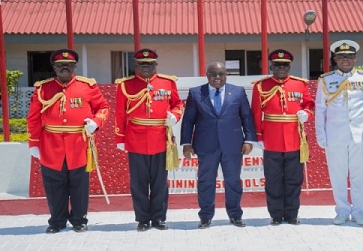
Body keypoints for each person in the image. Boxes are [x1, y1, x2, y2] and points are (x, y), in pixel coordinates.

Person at [27, 48, 110, 234]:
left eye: (69, 65)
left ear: (75, 67)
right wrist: (33, 143)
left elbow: (103, 107)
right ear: (54, 67)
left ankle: (79, 220)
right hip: (51, 144)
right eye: (60, 65)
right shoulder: (43, 88)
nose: (64, 68)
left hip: (79, 144)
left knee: (79, 185)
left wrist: (95, 123)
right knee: (54, 185)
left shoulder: (87, 86)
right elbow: (33, 117)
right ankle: (56, 221)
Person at [180, 62, 256, 229]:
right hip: (206, 145)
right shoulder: (196, 93)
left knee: (233, 181)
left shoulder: (237, 92)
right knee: (205, 181)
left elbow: (246, 118)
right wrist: (186, 143)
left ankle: (235, 215)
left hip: (233, 145)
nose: (217, 77)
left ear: (226, 75)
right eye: (213, 74)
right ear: (207, 75)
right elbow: (188, 120)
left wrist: (249, 140)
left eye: (221, 74)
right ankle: (205, 217)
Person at [115, 48, 183, 231]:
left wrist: (175, 116)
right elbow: (120, 113)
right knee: (139, 183)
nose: (146, 67)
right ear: (135, 65)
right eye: (142, 64)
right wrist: (120, 138)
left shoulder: (168, 83)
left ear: (156, 65)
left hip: (161, 138)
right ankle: (143, 219)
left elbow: (177, 104)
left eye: (150, 64)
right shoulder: (124, 85)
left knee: (160, 182)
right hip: (135, 139)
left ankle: (159, 218)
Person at [251, 49, 315, 225]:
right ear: (271, 66)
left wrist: (306, 114)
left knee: (294, 180)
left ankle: (292, 214)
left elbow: (310, 105)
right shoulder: (260, 86)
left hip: (294, 139)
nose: (281, 68)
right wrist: (258, 136)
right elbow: (256, 113)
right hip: (271, 140)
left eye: (285, 65)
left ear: (289, 66)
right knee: (273, 180)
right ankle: (276, 215)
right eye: (277, 65)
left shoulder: (299, 85)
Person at [315, 40, 363, 226]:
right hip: (335, 135)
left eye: (349, 56)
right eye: (341, 56)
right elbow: (320, 110)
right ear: (335, 59)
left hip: (360, 135)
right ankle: (341, 210)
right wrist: (321, 135)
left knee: (360, 175)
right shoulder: (326, 80)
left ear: (355, 58)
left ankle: (359, 212)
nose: (345, 59)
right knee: (338, 174)